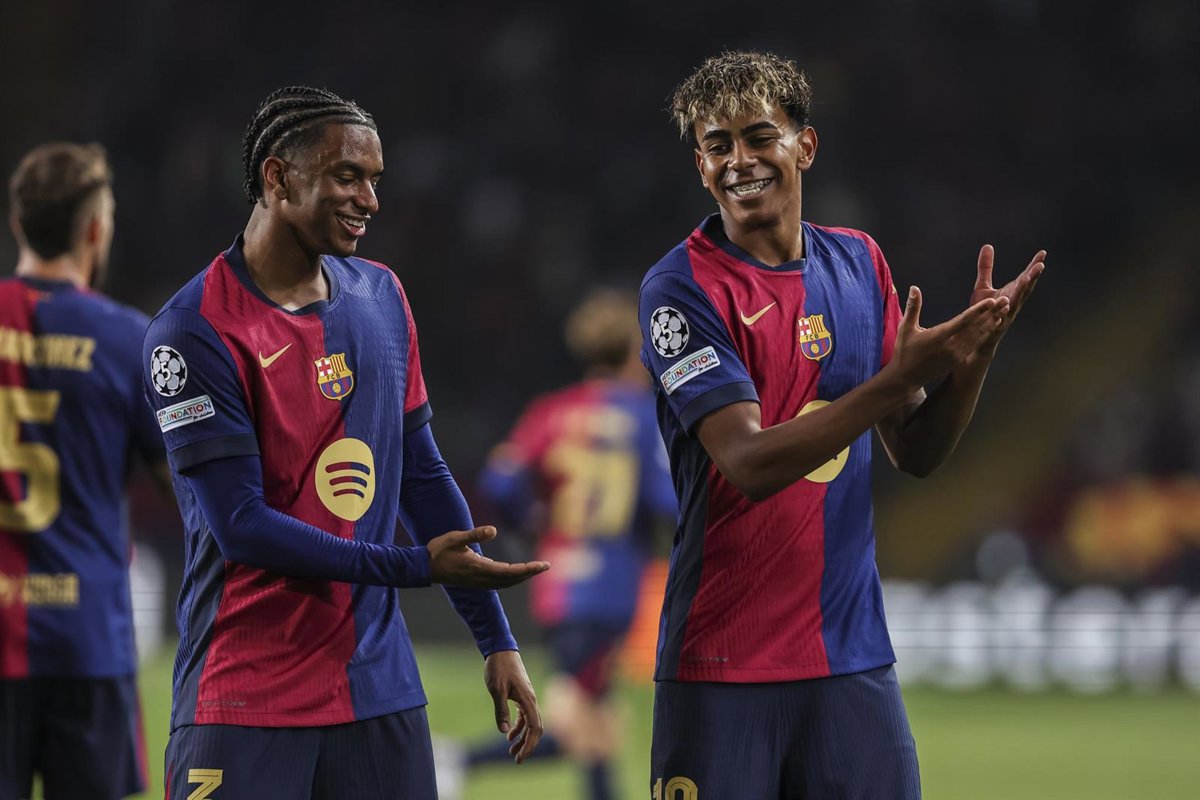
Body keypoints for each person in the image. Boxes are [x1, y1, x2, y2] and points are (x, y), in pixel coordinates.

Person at [639, 51, 1046, 798]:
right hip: (721, 664)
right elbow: (748, 463)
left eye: (759, 136)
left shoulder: (859, 263)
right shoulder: (680, 288)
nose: (739, 160)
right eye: (717, 145)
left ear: (805, 146)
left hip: (850, 660)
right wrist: (897, 379)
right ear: (701, 166)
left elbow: (916, 451)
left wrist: (972, 359)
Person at [141, 86, 549, 800]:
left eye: (374, 180)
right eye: (347, 176)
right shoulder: (194, 331)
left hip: (378, 696)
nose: (370, 200)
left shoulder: (380, 295)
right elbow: (242, 527)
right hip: (246, 698)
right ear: (277, 178)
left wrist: (495, 638)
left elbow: (421, 475)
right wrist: (415, 567)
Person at [438, 289, 676, 800]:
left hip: (559, 580)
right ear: (634, 353)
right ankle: (453, 761)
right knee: (573, 726)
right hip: (609, 589)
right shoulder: (643, 415)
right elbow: (667, 500)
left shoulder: (552, 411)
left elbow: (501, 480)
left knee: (600, 728)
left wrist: (533, 521)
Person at [0, 142, 168, 799]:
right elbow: (187, 490)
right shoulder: (129, 339)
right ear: (96, 229)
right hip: (88, 639)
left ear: (18, 223)